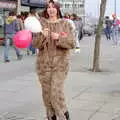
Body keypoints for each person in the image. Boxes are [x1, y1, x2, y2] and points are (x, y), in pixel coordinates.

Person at [32, 0, 76, 120]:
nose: (51, 9)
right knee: (47, 94)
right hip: (44, 65)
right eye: (48, 7)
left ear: (57, 9)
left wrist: (59, 38)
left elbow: (72, 43)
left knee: (55, 92)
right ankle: (52, 117)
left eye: (53, 7)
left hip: (60, 65)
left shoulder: (65, 24)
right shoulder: (41, 23)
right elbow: (35, 44)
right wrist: (42, 36)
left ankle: (63, 115)